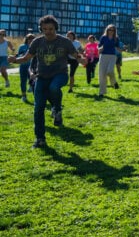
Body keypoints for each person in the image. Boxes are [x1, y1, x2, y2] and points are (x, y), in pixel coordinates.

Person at [10, 15, 85, 148]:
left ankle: (56, 108)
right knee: (38, 108)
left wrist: (81, 59)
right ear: (41, 29)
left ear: (55, 28)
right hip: (41, 77)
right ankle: (40, 139)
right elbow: (27, 57)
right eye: (45, 29)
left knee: (54, 87)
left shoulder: (64, 41)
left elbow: (75, 54)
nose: (48, 31)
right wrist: (15, 60)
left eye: (50, 28)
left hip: (60, 75)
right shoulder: (37, 42)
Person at [97, 24, 120, 97]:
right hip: (103, 56)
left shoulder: (116, 38)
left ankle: (114, 83)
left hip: (112, 56)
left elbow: (118, 47)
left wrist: (122, 50)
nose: (111, 31)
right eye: (110, 29)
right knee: (102, 74)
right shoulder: (103, 37)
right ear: (107, 30)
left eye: (113, 30)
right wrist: (100, 49)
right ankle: (102, 92)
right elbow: (99, 46)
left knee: (110, 71)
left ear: (114, 31)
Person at [16, 33, 35, 103]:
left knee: (33, 81)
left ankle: (35, 95)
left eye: (32, 39)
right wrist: (21, 55)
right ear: (26, 39)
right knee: (23, 81)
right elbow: (18, 55)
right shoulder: (22, 46)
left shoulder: (35, 46)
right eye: (29, 39)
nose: (31, 40)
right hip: (23, 66)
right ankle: (24, 96)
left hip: (32, 67)